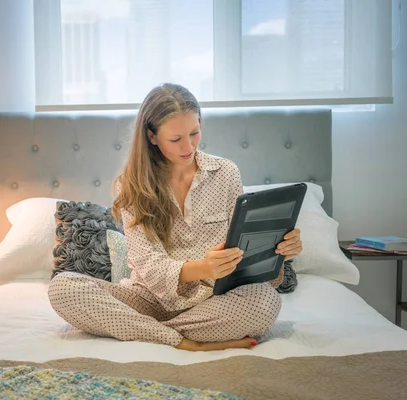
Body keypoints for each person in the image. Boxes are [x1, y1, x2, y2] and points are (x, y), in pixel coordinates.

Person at [48, 83, 302, 352]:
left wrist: (279, 251)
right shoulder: (132, 185)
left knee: (265, 302)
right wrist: (204, 267)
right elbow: (148, 264)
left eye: (194, 132)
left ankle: (138, 328)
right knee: (62, 288)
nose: (189, 146)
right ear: (152, 137)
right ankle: (183, 340)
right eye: (176, 139)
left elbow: (243, 251)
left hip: (213, 300)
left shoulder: (226, 173)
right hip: (148, 299)